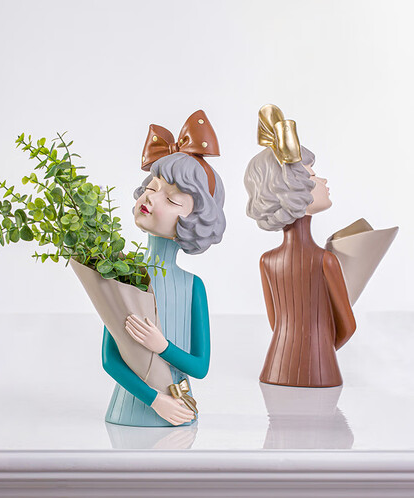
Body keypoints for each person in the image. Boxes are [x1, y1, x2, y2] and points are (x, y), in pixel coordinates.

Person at [102, 110, 226, 426]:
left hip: (181, 412)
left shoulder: (192, 286)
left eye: (172, 200)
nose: (152, 199)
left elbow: (200, 367)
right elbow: (110, 360)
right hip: (127, 411)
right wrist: (155, 401)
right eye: (153, 187)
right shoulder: (122, 274)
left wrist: (163, 347)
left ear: (195, 221)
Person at [244, 104, 356, 388]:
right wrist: (319, 350)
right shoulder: (324, 260)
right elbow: (348, 327)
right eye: (314, 175)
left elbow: (275, 324)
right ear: (294, 188)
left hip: (275, 367)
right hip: (320, 371)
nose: (323, 180)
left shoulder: (267, 261)